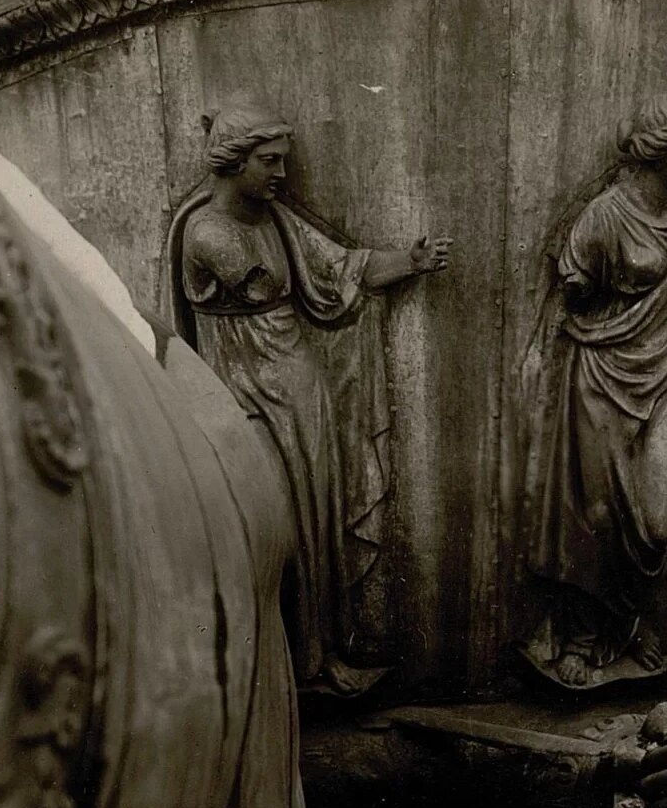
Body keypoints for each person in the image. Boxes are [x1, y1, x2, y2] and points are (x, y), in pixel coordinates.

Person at [163, 99, 452, 695]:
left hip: (299, 392)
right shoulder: (207, 232)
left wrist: (411, 261)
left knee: (315, 529)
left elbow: (345, 268)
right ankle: (275, 668)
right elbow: (264, 275)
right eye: (268, 161)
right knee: (276, 532)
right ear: (233, 160)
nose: (281, 174)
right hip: (243, 396)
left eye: (283, 161)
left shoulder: (275, 220)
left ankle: (314, 662)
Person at [519, 94, 667, 689]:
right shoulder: (605, 215)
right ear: (659, 153)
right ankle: (583, 637)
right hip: (602, 375)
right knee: (595, 517)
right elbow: (572, 286)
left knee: (656, 523)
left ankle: (624, 622)